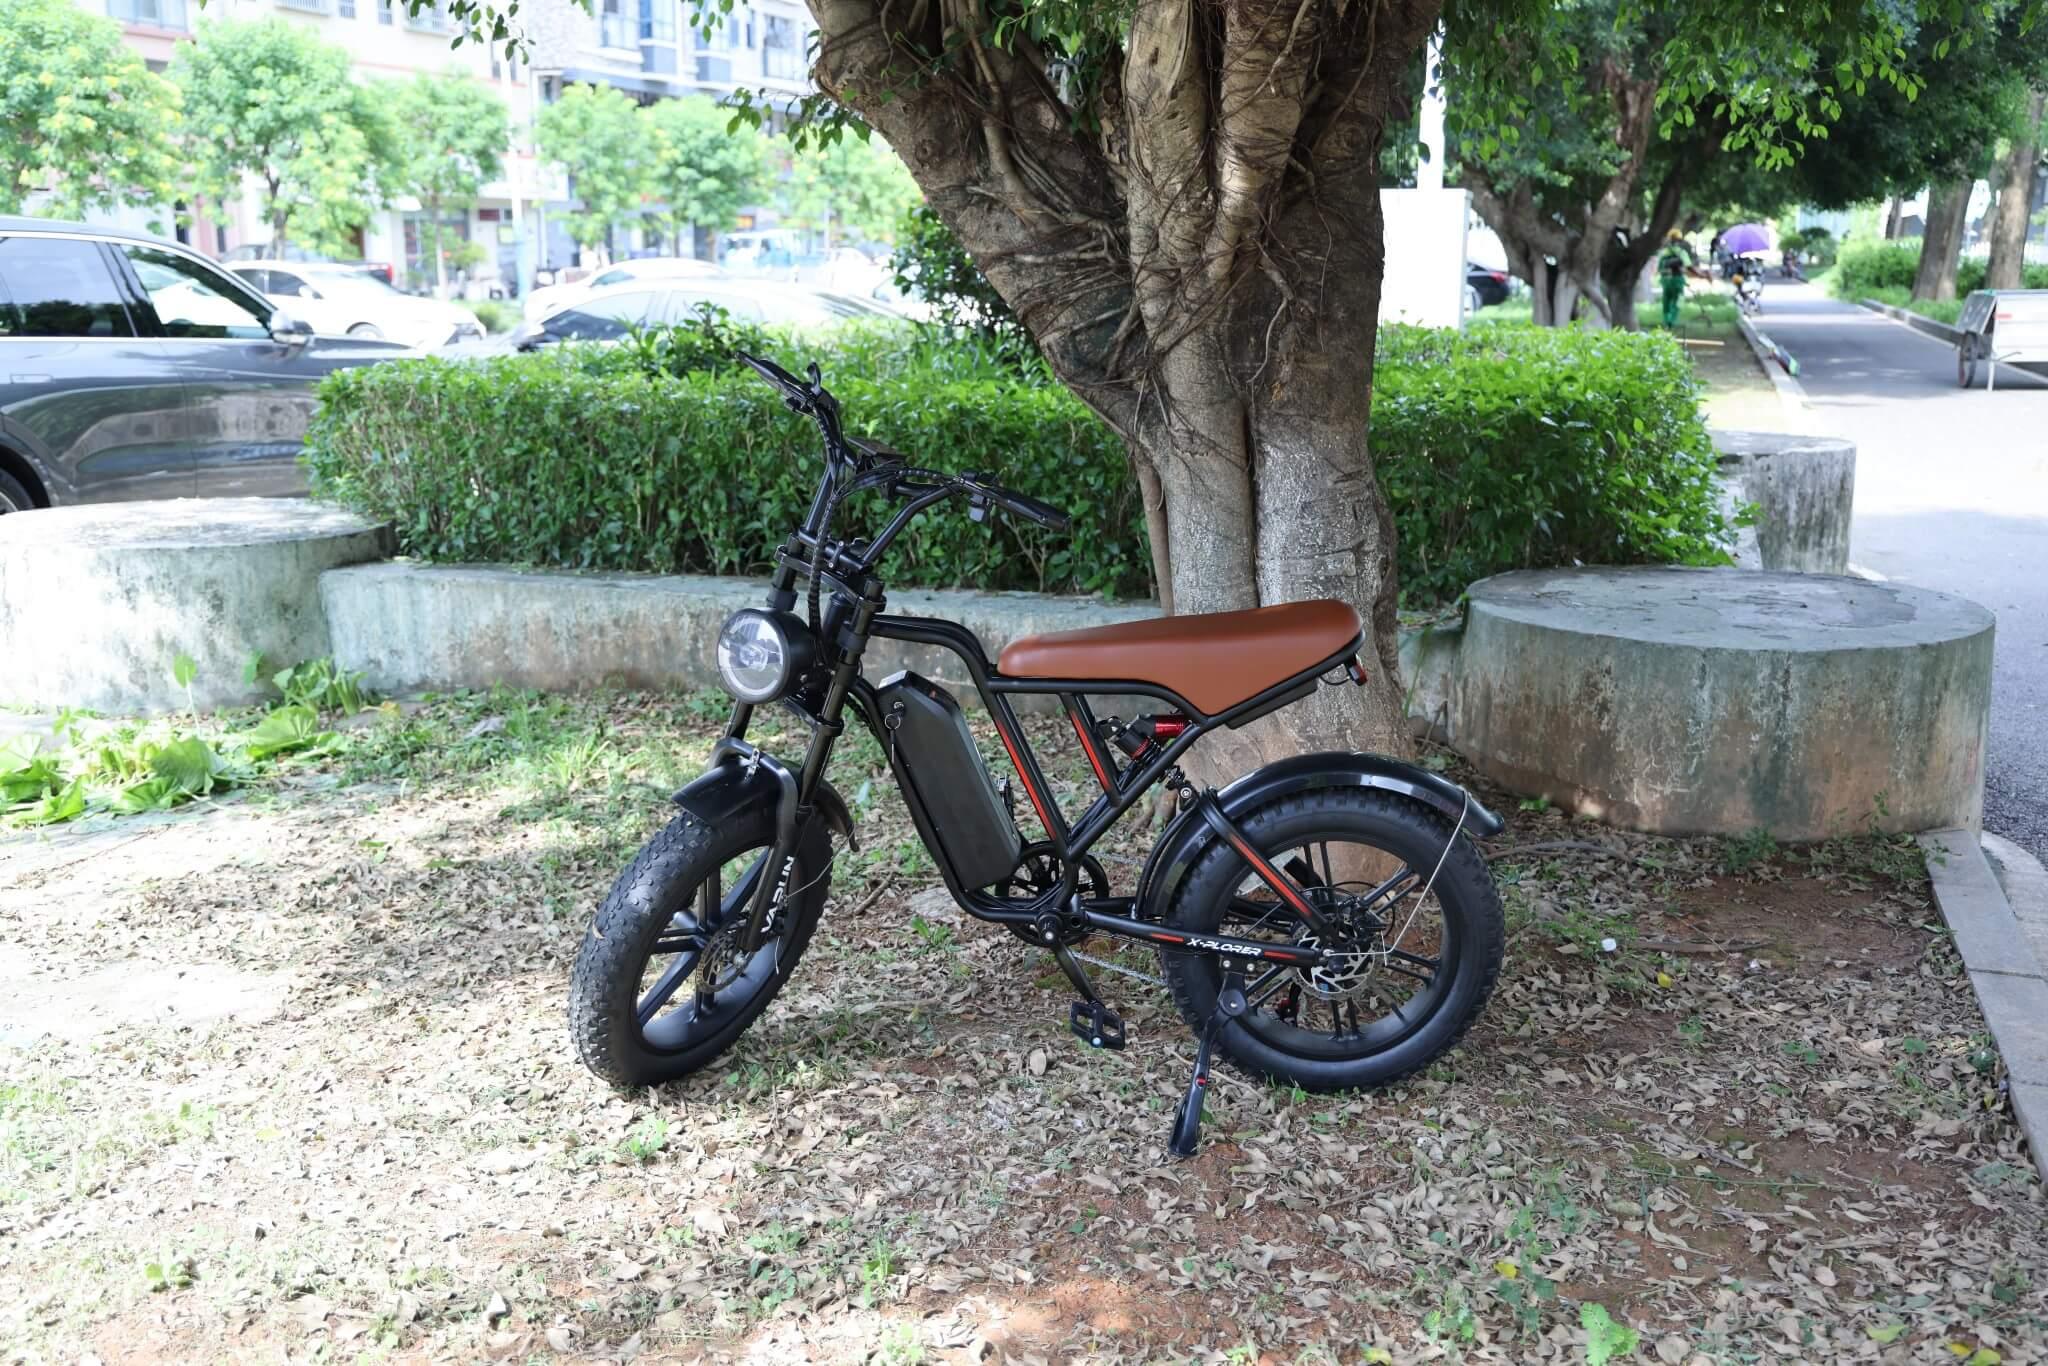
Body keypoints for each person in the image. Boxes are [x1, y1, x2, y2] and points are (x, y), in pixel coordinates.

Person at [1658, 231, 1696, 328]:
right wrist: (1701, 275)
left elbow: (1659, 268)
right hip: (1677, 280)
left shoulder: (1664, 252)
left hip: (1665, 281)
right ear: (1680, 240)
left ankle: (1666, 321)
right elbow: (1689, 267)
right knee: (1678, 301)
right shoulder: (1681, 252)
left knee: (1666, 302)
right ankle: (1671, 321)